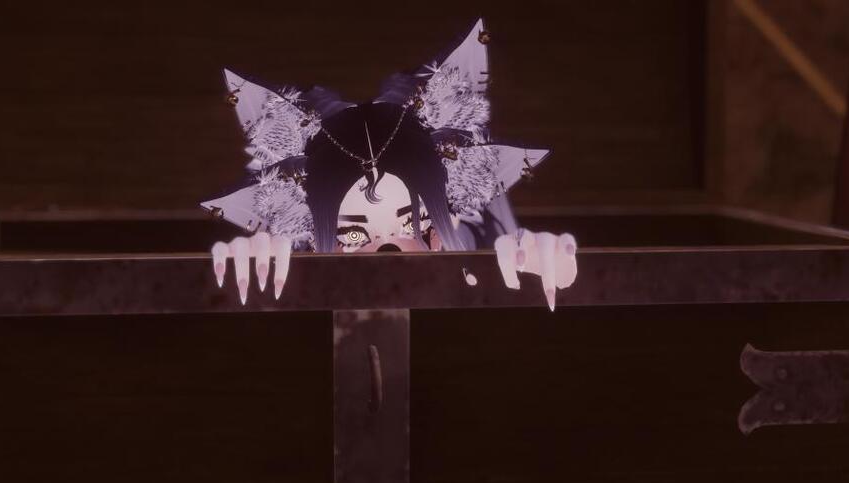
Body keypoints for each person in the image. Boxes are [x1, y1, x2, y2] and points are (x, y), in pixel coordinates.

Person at [204, 18, 577, 310]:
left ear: (453, 213)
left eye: (414, 223)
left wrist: (546, 265)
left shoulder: (473, 238)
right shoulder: (300, 252)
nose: (390, 253)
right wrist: (250, 268)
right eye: (353, 235)